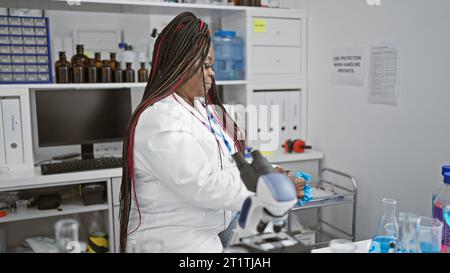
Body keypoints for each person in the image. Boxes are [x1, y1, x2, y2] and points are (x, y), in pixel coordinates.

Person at [119, 12, 305, 253]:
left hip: (206, 233)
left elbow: (223, 164)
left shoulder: (197, 109)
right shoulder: (160, 119)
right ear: (179, 64)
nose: (212, 73)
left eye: (211, 65)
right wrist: (268, 188)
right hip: (171, 242)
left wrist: (265, 174)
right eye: (205, 65)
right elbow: (203, 184)